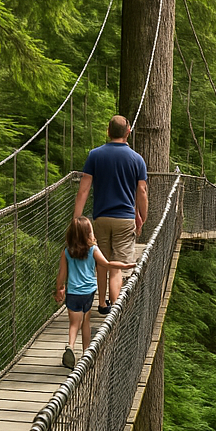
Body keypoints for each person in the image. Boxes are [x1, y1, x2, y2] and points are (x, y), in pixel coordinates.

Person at [74, 115, 148, 315]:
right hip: (125, 219)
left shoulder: (95, 155)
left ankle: (102, 304)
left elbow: (84, 189)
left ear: (108, 131)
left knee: (102, 261)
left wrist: (77, 220)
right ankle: (115, 314)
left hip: (101, 218)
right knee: (117, 267)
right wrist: (142, 215)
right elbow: (141, 191)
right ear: (128, 132)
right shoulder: (137, 159)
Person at [55, 216, 137, 368]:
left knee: (74, 323)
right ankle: (86, 353)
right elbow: (107, 263)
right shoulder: (93, 249)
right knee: (85, 321)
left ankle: (70, 346)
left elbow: (62, 275)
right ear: (88, 234)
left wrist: (59, 288)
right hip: (88, 292)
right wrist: (126, 266)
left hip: (73, 292)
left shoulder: (66, 252)